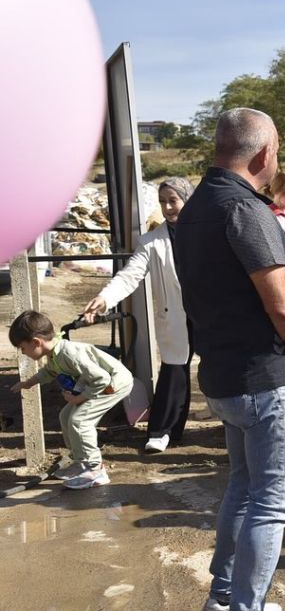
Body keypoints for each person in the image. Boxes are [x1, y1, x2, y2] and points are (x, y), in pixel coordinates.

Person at [173, 107, 285, 611]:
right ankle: (246, 606)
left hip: (225, 376)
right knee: (272, 504)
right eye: (276, 149)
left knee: (243, 487)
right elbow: (281, 303)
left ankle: (223, 597)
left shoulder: (196, 205)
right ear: (264, 153)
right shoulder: (243, 208)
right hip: (262, 380)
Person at [82, 176, 194, 454]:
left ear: (187, 200)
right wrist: (105, 298)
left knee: (220, 368)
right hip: (177, 316)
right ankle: (163, 430)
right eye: (163, 202)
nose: (168, 207)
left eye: (173, 200)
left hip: (210, 312)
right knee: (174, 371)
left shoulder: (207, 233)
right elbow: (129, 276)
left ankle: (232, 424)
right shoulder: (151, 242)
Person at [9, 310, 133, 489]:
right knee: (65, 416)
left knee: (80, 421)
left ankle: (95, 469)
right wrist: (28, 383)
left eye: (23, 348)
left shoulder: (69, 353)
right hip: (97, 384)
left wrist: (80, 398)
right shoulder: (54, 354)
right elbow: (50, 372)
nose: (23, 352)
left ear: (36, 342)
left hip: (114, 384)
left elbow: (102, 379)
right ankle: (79, 461)